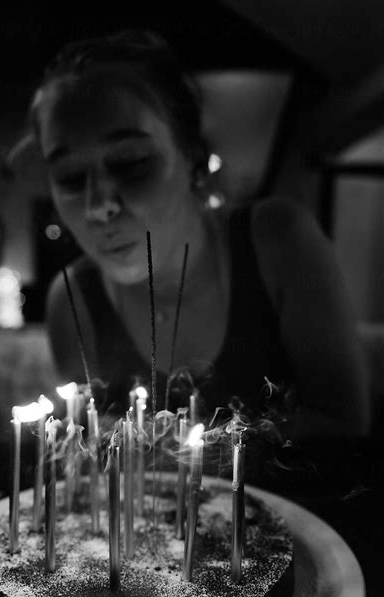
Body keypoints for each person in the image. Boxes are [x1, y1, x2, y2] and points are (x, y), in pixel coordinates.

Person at [24, 28, 369, 441]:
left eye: (131, 162)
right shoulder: (71, 302)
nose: (98, 205)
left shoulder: (279, 240)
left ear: (191, 156)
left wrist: (188, 448)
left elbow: (345, 428)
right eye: (69, 176)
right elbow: (90, 458)